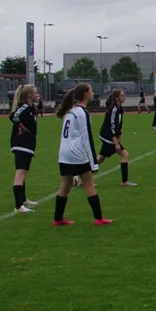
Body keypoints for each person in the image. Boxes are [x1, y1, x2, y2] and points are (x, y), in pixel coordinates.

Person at [53, 83, 113, 226]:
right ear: (85, 94)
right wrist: (93, 162)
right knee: (89, 183)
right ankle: (99, 218)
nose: (93, 93)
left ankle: (57, 218)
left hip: (64, 154)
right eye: (91, 91)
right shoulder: (82, 112)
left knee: (65, 186)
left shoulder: (70, 111)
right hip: (77, 154)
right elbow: (87, 137)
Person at [9, 84, 42, 213]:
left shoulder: (31, 108)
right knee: (20, 174)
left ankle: (23, 199)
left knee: (24, 173)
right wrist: (21, 127)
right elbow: (13, 116)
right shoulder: (23, 107)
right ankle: (18, 206)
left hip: (28, 144)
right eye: (35, 92)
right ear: (29, 95)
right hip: (21, 144)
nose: (37, 94)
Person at [97, 89, 137, 187]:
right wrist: (116, 143)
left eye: (124, 95)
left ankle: (81, 177)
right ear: (116, 98)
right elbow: (111, 126)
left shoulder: (119, 108)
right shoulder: (113, 108)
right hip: (108, 137)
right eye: (122, 96)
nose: (124, 97)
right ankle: (124, 182)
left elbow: (118, 124)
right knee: (125, 155)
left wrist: (119, 136)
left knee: (100, 158)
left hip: (110, 136)